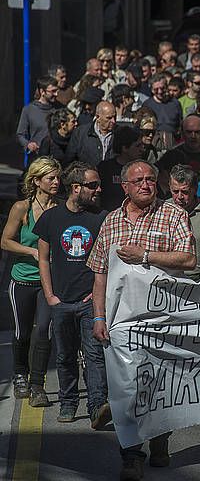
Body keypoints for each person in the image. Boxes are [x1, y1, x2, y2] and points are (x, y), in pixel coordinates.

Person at [88, 159, 196, 480]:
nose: (146, 184)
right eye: (139, 181)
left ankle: (160, 439)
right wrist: (98, 317)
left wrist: (146, 256)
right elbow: (100, 274)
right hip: (122, 323)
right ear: (125, 186)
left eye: (151, 179)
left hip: (162, 320)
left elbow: (189, 258)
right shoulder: (110, 222)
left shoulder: (173, 214)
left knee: (160, 385)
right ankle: (131, 456)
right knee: (125, 389)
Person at [33, 162, 109, 426]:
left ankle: (97, 405)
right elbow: (43, 259)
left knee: (95, 354)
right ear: (75, 188)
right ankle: (68, 403)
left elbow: (110, 261)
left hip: (90, 302)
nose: (98, 189)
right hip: (61, 301)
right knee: (65, 356)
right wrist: (50, 294)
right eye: (92, 185)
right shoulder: (51, 218)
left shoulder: (101, 217)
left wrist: (99, 294)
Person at [1, 158, 61, 405]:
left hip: (49, 281)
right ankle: (19, 374)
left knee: (44, 331)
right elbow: (5, 241)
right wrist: (33, 252)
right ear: (36, 181)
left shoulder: (60, 208)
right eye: (51, 178)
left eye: (58, 178)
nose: (57, 182)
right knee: (22, 332)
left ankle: (38, 384)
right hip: (23, 279)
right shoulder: (21, 208)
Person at [97, 124, 145, 212]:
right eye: (137, 146)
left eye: (142, 145)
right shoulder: (105, 169)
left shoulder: (143, 170)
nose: (142, 149)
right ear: (125, 148)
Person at [16, 76, 61, 161]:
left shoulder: (59, 109)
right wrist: (28, 144)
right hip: (37, 158)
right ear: (42, 92)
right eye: (53, 91)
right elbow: (20, 134)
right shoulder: (29, 110)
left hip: (56, 158)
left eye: (57, 90)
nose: (56, 94)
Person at [65, 101, 116, 166]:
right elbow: (69, 160)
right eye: (109, 118)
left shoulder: (119, 133)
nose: (113, 121)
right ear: (98, 117)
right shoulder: (80, 133)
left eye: (114, 117)